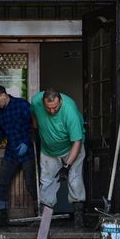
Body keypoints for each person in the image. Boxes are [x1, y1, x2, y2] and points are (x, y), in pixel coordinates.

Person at [31, 88, 86, 229]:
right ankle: (44, 220)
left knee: (74, 179)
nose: (52, 111)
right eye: (48, 108)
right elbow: (34, 113)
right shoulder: (36, 101)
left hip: (71, 149)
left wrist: (67, 165)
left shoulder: (70, 112)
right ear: (43, 103)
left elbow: (77, 142)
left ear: (60, 101)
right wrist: (35, 127)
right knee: (47, 182)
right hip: (48, 151)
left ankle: (78, 219)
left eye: (55, 107)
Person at [0, 85, 38, 227]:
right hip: (11, 152)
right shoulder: (0, 114)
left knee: (32, 184)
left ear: (3, 95)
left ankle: (40, 216)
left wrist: (27, 142)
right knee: (2, 184)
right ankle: (1, 219)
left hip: (28, 152)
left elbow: (33, 125)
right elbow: (0, 133)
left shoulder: (22, 104)